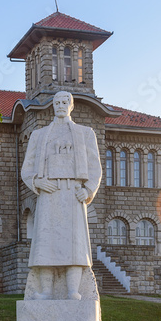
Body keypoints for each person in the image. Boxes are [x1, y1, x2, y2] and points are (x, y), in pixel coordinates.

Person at [21, 91, 102, 300]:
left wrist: (88, 189)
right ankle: (46, 291)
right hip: (49, 192)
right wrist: (36, 182)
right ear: (52, 105)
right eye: (57, 102)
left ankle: (72, 290)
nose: (60, 105)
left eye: (65, 102)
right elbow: (27, 168)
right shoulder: (39, 135)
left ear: (71, 105)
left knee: (74, 244)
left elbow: (95, 167)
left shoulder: (85, 133)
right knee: (45, 242)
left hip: (73, 193)